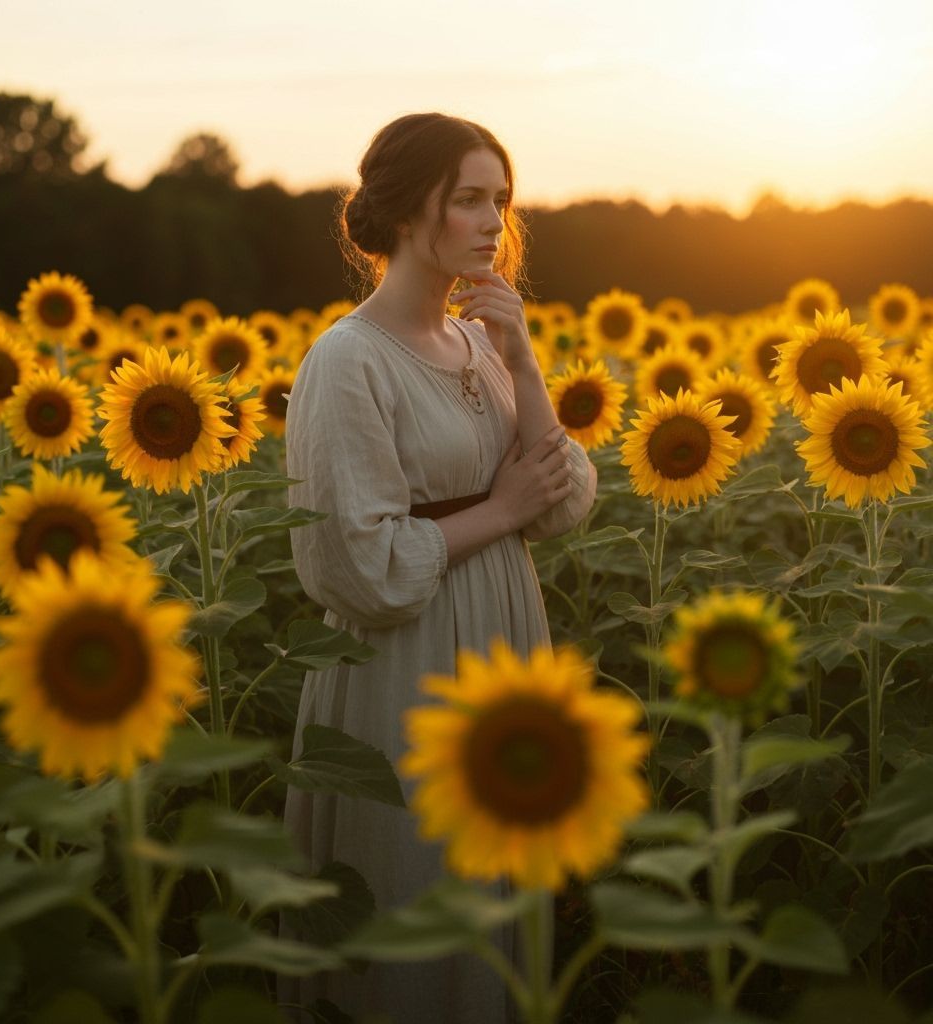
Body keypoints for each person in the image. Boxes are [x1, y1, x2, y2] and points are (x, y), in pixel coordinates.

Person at [280, 112, 597, 1024]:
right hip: (407, 657)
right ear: (410, 209)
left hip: (504, 638)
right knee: (417, 887)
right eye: (469, 199)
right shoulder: (348, 362)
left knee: (497, 896)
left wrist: (525, 361)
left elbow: (568, 501)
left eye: (501, 199)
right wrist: (499, 511)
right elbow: (359, 564)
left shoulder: (480, 348)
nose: (493, 220)